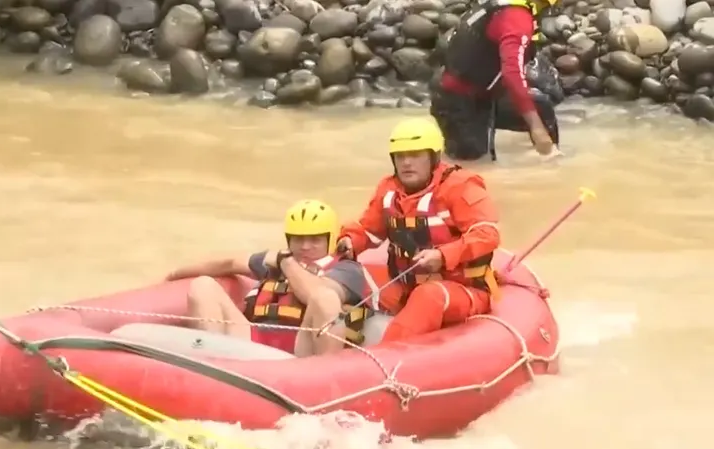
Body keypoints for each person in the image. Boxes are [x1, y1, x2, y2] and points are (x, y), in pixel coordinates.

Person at [336, 118, 501, 342]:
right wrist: (349, 240)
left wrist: (443, 256)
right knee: (346, 276)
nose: (406, 163)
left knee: (429, 295)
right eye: (400, 156)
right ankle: (325, 341)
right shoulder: (388, 190)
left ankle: (388, 354)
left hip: (461, 289)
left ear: (433, 157)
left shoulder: (461, 186)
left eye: (415, 156)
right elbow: (368, 231)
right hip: (405, 285)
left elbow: (487, 235)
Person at [165, 199, 381, 357]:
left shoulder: (348, 270)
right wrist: (173, 274)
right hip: (254, 339)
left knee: (325, 298)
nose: (305, 246)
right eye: (298, 239)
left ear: (330, 239)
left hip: (302, 347)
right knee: (202, 286)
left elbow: (314, 294)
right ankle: (210, 362)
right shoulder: (275, 261)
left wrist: (287, 263)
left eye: (314, 239)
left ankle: (324, 375)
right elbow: (229, 263)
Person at [430, 0, 562, 161]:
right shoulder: (516, 18)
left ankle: (550, 160)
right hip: (457, 101)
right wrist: (536, 127)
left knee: (542, 108)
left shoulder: (499, 6)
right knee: (477, 164)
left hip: (483, 93)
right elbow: (512, 74)